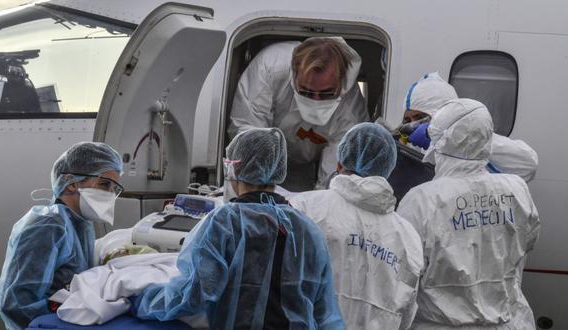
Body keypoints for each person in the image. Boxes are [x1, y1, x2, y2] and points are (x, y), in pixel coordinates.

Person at [132, 128, 344, 329]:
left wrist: (142, 302)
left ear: (233, 168)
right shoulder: (307, 229)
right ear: (278, 169)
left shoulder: (224, 223)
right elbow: (325, 312)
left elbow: (193, 295)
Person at [397, 99, 540, 329]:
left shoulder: (421, 200)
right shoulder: (516, 189)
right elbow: (528, 241)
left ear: (442, 138)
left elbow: (403, 273)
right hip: (506, 322)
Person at [290, 123, 423, 329]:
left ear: (340, 163)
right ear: (387, 168)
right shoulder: (407, 236)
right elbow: (406, 314)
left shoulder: (305, 208)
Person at [0, 142, 124, 330]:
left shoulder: (79, 224)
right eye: (105, 184)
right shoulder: (48, 225)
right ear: (72, 183)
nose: (110, 194)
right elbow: (18, 304)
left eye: (115, 189)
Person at [228, 37, 368, 191]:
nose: (316, 100)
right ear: (294, 74)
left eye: (326, 93)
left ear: (341, 82)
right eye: (306, 91)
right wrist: (255, 189)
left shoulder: (351, 106)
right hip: (265, 158)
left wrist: (322, 199)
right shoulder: (270, 67)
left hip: (305, 169)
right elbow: (249, 134)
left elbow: (338, 170)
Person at [400, 72, 538, 182]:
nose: (413, 125)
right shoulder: (413, 145)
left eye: (419, 117)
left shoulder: (479, 140)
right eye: (407, 120)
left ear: (442, 115)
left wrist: (449, 139)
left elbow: (528, 166)